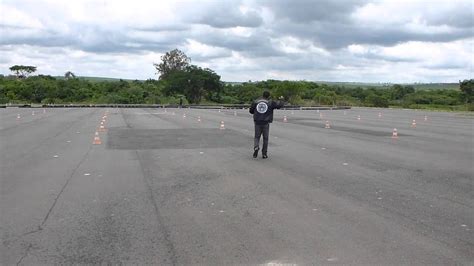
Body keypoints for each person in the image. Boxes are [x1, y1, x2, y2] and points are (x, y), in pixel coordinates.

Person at [249, 91, 285, 159]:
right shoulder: (270, 102)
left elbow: (251, 111)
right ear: (268, 96)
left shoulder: (256, 101)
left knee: (257, 137)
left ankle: (256, 147)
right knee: (265, 138)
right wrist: (281, 99)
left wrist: (256, 112)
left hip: (257, 122)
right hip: (266, 122)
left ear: (262, 95)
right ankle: (264, 153)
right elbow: (279, 105)